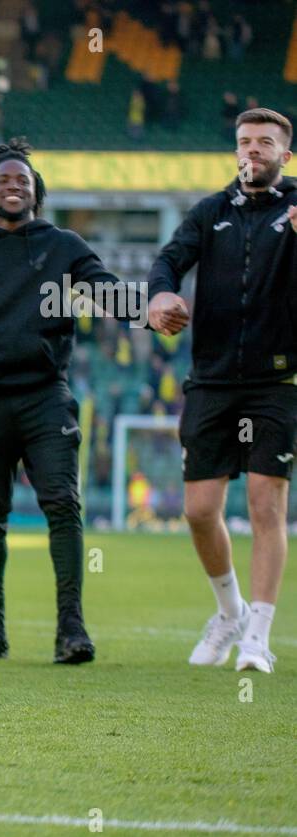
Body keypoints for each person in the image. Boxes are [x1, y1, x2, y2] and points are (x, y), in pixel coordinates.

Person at [0, 137, 138, 664]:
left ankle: (72, 630)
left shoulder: (62, 245)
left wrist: (148, 307)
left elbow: (105, 288)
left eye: (23, 180)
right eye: (4, 180)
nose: (14, 185)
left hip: (46, 398)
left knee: (63, 507)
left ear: (36, 193)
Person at [148, 107, 297, 674]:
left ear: (285, 153)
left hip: (275, 381)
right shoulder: (211, 212)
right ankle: (230, 612)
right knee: (199, 510)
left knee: (265, 503)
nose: (252, 150)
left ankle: (258, 637)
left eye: (264, 142)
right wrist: (161, 296)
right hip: (210, 379)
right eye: (244, 141)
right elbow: (168, 260)